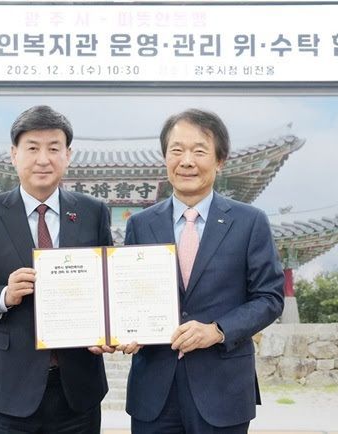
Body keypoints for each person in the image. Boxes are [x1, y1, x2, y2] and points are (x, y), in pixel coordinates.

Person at [0, 105, 113, 434]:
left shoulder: (93, 212)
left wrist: (109, 330)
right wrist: (4, 295)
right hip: (10, 387)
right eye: (33, 148)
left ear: (68, 155)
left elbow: (108, 285)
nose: (43, 159)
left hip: (78, 388)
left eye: (54, 148)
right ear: (14, 154)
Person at [118, 108, 284, 433]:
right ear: (165, 158)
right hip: (154, 391)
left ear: (220, 160)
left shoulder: (250, 222)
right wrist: (125, 328)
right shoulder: (140, 224)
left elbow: (269, 298)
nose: (186, 161)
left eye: (199, 151)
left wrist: (217, 330)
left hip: (222, 389)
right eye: (176, 150)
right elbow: (130, 294)